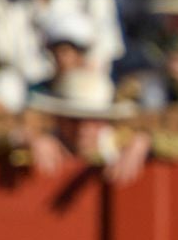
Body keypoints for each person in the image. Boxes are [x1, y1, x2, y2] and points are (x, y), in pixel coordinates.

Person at [21, 68, 149, 185]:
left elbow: (160, 141)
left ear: (105, 121)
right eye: (74, 119)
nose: (83, 128)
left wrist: (141, 144)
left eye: (93, 119)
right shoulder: (47, 140)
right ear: (59, 119)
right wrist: (31, 140)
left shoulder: (119, 141)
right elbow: (9, 138)